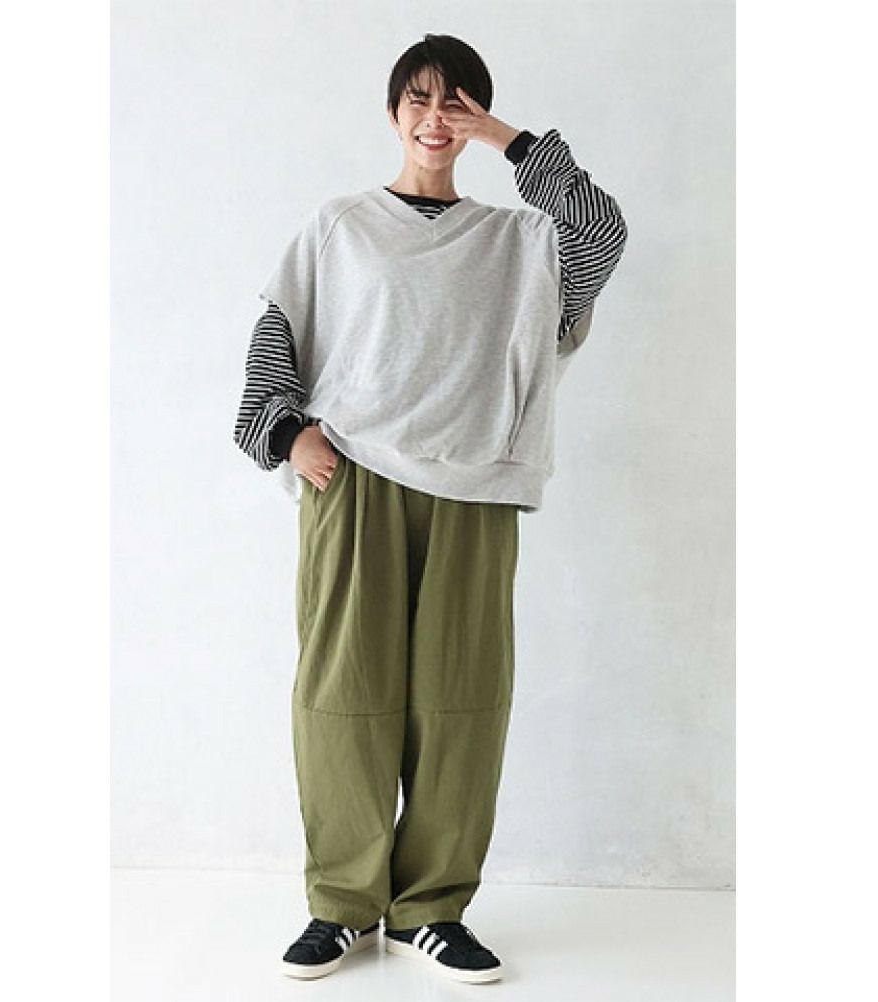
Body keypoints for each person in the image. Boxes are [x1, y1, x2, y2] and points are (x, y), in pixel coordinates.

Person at [233, 34, 628, 984]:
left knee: (461, 701)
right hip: (353, 481)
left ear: (478, 115)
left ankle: (431, 909)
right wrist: (288, 433)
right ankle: (341, 905)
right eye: (419, 99)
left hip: (476, 486)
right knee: (343, 694)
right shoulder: (340, 226)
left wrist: (509, 139)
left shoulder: (520, 242)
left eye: (457, 102)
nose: (436, 117)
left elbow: (602, 230)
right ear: (391, 112)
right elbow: (277, 333)